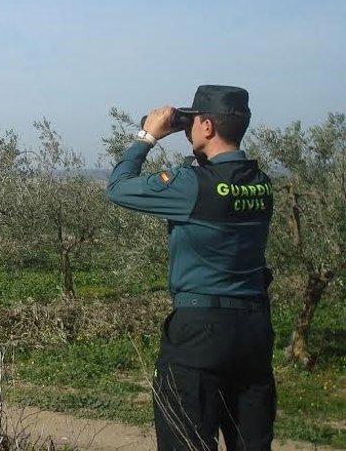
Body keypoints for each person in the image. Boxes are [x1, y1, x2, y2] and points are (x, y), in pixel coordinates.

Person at [106, 85, 275, 450]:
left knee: (186, 440)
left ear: (208, 127)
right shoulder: (262, 184)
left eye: (193, 122)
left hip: (200, 334)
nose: (188, 131)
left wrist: (148, 135)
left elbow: (118, 188)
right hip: (253, 332)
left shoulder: (191, 186)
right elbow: (220, 183)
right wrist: (193, 142)